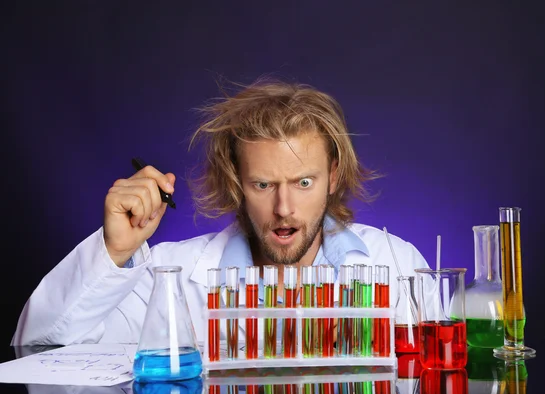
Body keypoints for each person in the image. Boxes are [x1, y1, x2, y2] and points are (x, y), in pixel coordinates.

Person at [11, 77, 430, 347]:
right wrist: (112, 252)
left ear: (333, 176)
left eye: (304, 183)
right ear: (236, 182)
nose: (284, 209)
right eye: (263, 185)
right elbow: (39, 348)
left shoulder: (397, 265)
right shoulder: (171, 274)